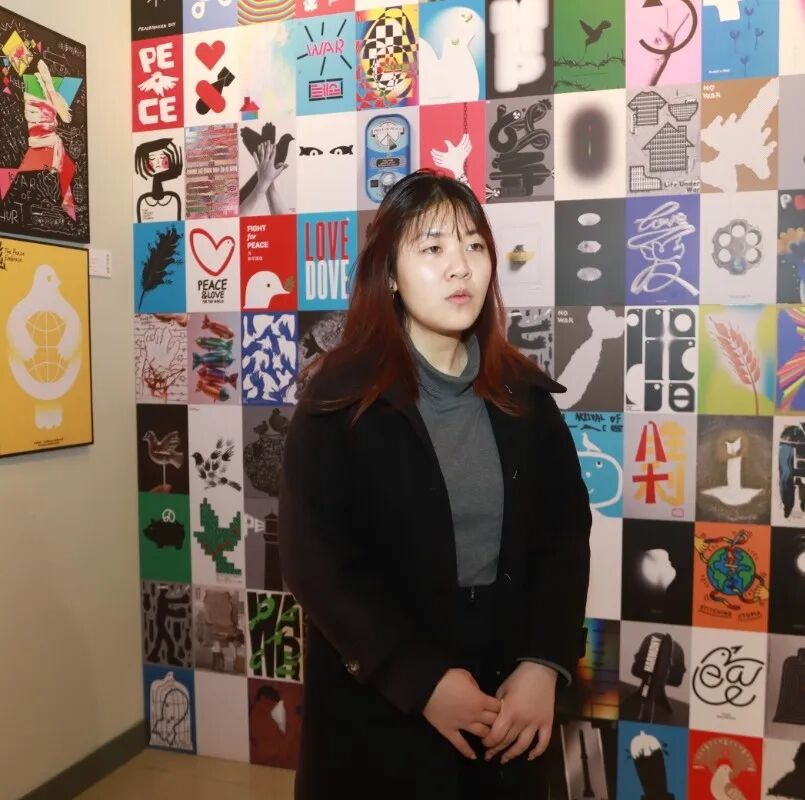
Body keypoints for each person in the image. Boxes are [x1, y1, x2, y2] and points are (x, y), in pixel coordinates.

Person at [278, 169, 591, 799]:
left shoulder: (525, 397)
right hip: (382, 700)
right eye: (433, 247)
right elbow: (317, 565)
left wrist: (544, 663)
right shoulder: (341, 401)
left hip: (507, 697)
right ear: (390, 274)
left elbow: (564, 540)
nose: (460, 267)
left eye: (474, 245)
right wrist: (420, 679)